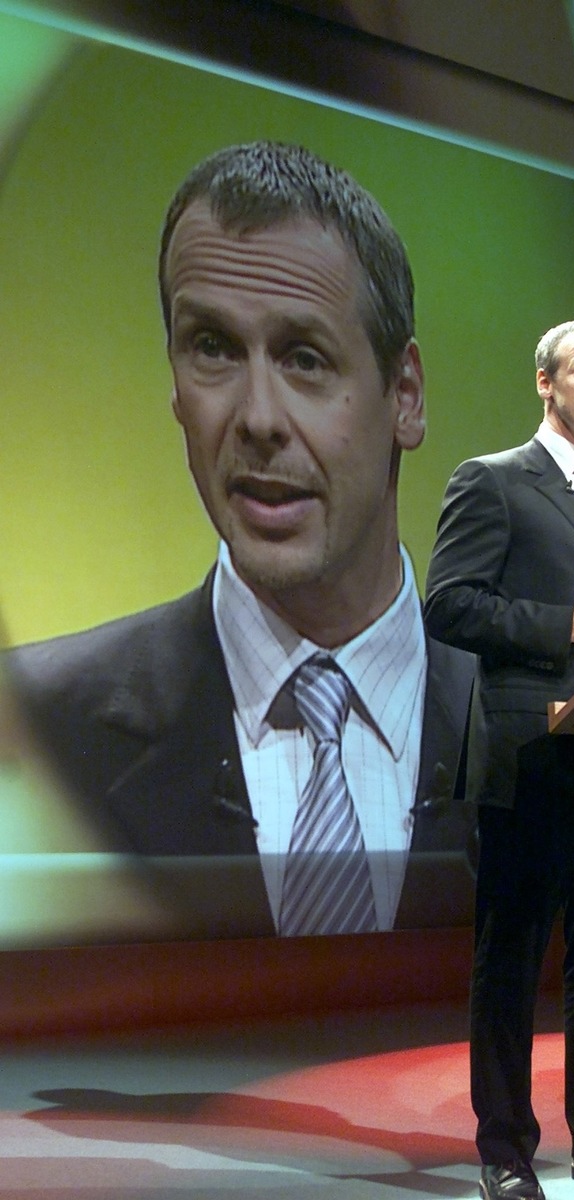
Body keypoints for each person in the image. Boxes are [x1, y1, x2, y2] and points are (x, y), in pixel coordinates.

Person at [8, 141, 475, 939]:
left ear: (405, 395)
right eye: (214, 348)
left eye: (304, 358)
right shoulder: (32, 730)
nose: (256, 419)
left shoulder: (541, 733)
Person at [423, 319, 574, 1200]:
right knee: (510, 959)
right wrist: (567, 623)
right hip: (524, 754)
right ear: (544, 382)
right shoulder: (491, 482)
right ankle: (505, 1152)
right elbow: (448, 605)